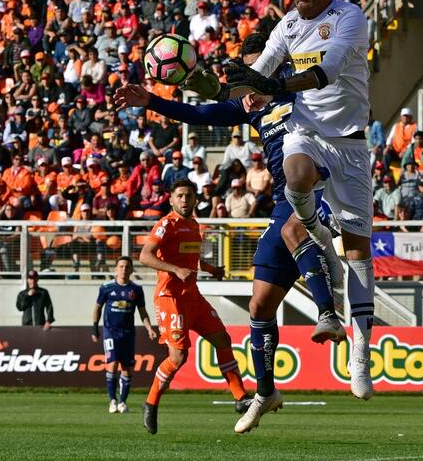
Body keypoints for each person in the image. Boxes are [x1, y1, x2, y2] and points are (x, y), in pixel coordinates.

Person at [117, 33, 346, 433]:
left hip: (323, 188)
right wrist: (151, 101)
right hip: (282, 201)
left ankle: (329, 311)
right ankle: (265, 393)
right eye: (253, 70)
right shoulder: (250, 105)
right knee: (259, 307)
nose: (258, 76)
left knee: (295, 228)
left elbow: (330, 80)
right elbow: (202, 115)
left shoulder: (299, 89)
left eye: (265, 67)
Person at [206, 0, 376, 402]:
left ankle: (360, 354)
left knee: (358, 251)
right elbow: (258, 75)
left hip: (352, 144)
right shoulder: (286, 25)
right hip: (308, 134)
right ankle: (316, 229)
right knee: (295, 175)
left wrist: (273, 86)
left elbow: (327, 71)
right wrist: (223, 89)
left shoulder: (349, 17)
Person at [139, 180, 250, 435]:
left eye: (188, 196)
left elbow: (190, 257)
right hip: (171, 298)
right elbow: (145, 255)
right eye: (180, 196)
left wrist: (211, 269)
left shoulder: (194, 225)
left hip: (193, 297)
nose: (184, 200)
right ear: (171, 200)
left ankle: (240, 396)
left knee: (223, 339)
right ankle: (151, 402)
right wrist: (175, 270)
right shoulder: (166, 224)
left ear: (195, 198)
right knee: (178, 358)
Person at [91, 256, 156, 414]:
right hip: (110, 332)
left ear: (132, 270)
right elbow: (98, 307)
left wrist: (149, 328)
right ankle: (112, 400)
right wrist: (94, 327)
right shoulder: (106, 287)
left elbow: (142, 312)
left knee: (127, 369)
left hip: (128, 334)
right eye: (121, 266)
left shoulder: (136, 290)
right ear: (115, 269)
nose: (124, 269)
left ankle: (122, 402)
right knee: (112, 364)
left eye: (127, 267)